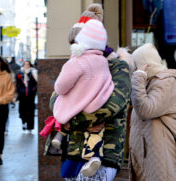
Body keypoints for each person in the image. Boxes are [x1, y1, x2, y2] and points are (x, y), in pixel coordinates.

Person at [41, 19, 114, 177]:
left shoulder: (78, 61)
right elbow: (109, 84)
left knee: (63, 114)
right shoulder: (102, 61)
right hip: (95, 107)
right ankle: (94, 156)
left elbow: (60, 87)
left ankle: (59, 137)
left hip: (75, 108)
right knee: (94, 133)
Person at [128, 43, 176, 181]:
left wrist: (138, 79)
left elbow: (145, 110)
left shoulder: (166, 82)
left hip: (162, 158)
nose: (134, 70)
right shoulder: (146, 83)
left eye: (136, 65)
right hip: (146, 159)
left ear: (145, 65)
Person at [15, 60, 37, 133]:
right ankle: (23, 122)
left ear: (30, 65)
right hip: (22, 96)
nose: (26, 66)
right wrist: (19, 90)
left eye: (28, 64)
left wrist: (33, 90)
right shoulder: (19, 73)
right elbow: (16, 84)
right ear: (23, 65)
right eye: (25, 64)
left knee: (30, 111)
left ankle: (30, 127)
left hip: (31, 96)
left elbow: (37, 83)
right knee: (22, 110)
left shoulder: (33, 73)